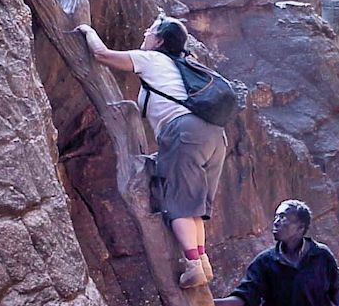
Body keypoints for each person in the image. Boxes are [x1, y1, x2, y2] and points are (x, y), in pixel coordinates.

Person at [75, 15, 226, 289]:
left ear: (159, 40)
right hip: (214, 135)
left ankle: (193, 264)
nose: (145, 32)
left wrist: (86, 29)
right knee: (194, 205)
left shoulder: (152, 59)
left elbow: (101, 55)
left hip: (184, 132)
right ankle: (202, 261)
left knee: (178, 202)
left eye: (151, 30)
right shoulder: (184, 64)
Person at [214, 199, 339, 306]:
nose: (276, 222)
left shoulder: (321, 255)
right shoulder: (264, 263)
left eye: (282, 217)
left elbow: (336, 287)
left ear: (300, 227)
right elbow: (244, 298)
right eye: (276, 217)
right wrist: (213, 305)